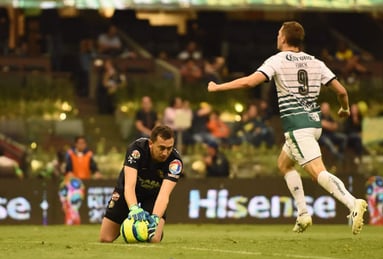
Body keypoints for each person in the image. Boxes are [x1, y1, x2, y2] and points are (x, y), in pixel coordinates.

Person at [207, 21, 367, 235]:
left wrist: (218, 87)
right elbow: (341, 91)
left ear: (283, 38)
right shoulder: (315, 62)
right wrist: (345, 109)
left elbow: (249, 82)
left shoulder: (277, 60)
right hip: (313, 124)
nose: (277, 36)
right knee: (284, 164)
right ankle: (303, 213)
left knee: (318, 173)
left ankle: (352, 202)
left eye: (278, 33)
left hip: (298, 127)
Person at [99, 125, 183, 243]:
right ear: (151, 143)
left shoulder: (175, 162)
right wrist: (134, 208)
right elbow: (129, 186)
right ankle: (127, 222)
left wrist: (155, 218)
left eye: (169, 148)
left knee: (153, 239)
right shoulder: (136, 149)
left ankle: (155, 229)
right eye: (161, 148)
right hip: (129, 191)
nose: (165, 153)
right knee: (105, 238)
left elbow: (164, 195)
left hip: (152, 195)